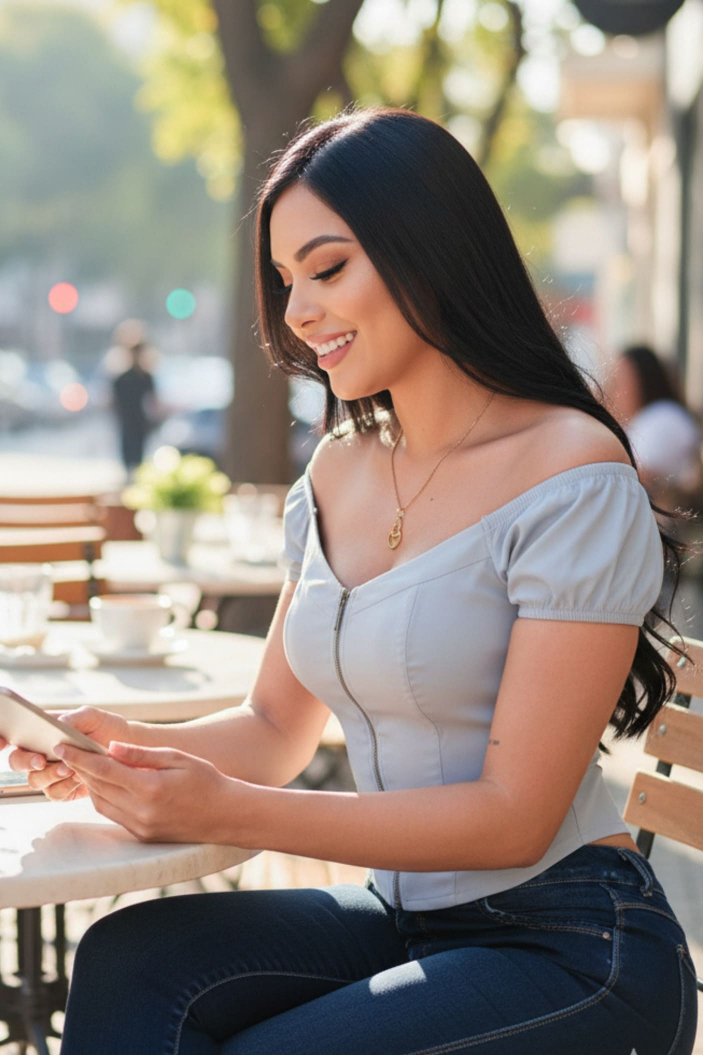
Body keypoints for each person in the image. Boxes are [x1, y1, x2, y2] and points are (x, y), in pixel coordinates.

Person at [2, 106, 698, 1054]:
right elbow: (273, 730)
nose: (297, 312)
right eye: (287, 281)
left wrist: (225, 806)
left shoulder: (570, 473)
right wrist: (123, 746)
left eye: (328, 269)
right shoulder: (336, 466)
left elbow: (512, 815)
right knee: (127, 960)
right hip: (409, 916)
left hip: (572, 940)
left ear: (432, 252)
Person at [605, 343, 703, 509]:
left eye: (621, 382)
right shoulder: (649, 419)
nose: (614, 391)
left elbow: (632, 473)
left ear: (644, 380)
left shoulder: (664, 416)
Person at [110, 331, 157, 473]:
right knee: (128, 455)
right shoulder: (122, 378)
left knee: (138, 457)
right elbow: (114, 401)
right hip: (127, 421)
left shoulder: (145, 377)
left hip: (139, 421)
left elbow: (153, 401)